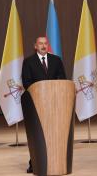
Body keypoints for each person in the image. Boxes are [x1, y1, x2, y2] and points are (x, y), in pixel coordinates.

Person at [21, 36, 66, 173]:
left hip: (55, 104)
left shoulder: (56, 60)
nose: (43, 46)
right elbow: (26, 82)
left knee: (54, 134)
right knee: (38, 135)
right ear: (35, 46)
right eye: (40, 43)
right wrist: (40, 91)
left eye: (45, 43)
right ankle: (34, 163)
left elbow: (62, 79)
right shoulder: (28, 62)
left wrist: (53, 91)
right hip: (36, 105)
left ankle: (55, 162)